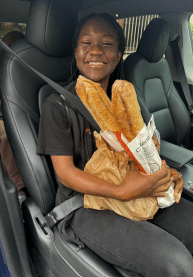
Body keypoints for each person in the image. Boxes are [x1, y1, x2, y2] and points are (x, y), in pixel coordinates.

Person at [37, 13, 193, 277]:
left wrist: (165, 172)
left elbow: (142, 149)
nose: (95, 51)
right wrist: (121, 191)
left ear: (119, 53)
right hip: (85, 206)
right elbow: (64, 172)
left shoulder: (125, 96)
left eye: (107, 44)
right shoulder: (58, 104)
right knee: (177, 264)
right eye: (86, 43)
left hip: (137, 186)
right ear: (75, 51)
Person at [0, 31, 26, 206]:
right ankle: (18, 189)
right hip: (4, 117)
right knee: (6, 134)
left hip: (23, 114)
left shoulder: (29, 66)